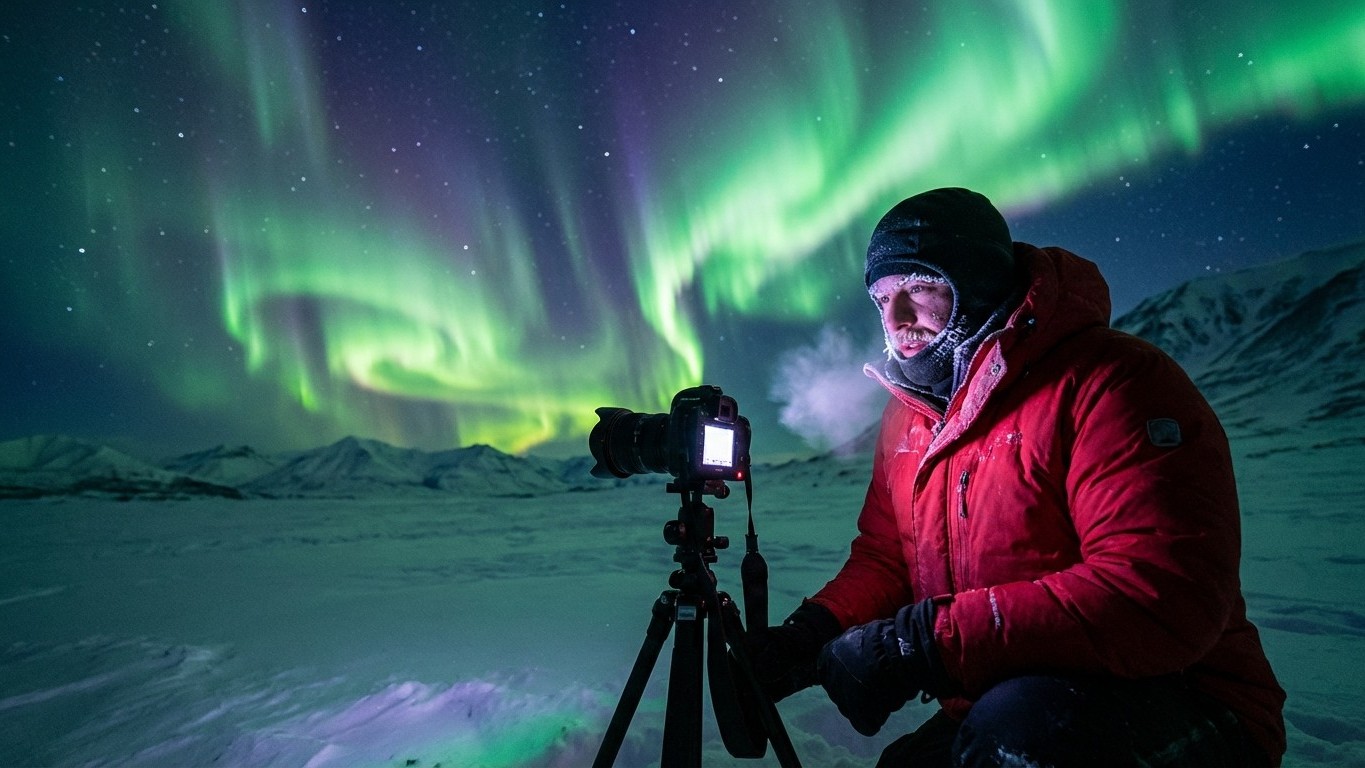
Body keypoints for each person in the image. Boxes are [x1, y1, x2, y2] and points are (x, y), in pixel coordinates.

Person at [751, 188, 1286, 766]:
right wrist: (809, 635)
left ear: (977, 282)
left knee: (1018, 740)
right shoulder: (909, 419)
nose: (897, 319)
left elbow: (1157, 592)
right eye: (882, 297)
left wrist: (927, 643)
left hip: (1186, 699)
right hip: (1004, 700)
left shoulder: (1111, 382)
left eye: (922, 289)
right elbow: (888, 559)